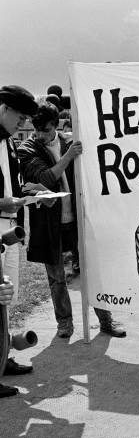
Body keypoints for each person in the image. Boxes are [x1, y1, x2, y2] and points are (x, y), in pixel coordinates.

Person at [18, 102, 126, 338]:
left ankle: (106, 321)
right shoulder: (28, 149)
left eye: (45, 130)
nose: (39, 135)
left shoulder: (73, 141)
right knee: (57, 277)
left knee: (93, 271)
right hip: (49, 222)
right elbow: (45, 178)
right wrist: (68, 157)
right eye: (36, 129)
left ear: (55, 125)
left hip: (78, 219)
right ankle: (64, 323)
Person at [0, 85, 38, 375]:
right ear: (4, 108)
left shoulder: (9, 142)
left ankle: (3, 356)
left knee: (7, 298)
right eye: (21, 117)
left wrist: (30, 191)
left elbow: (10, 182)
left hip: (11, 226)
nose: (23, 124)